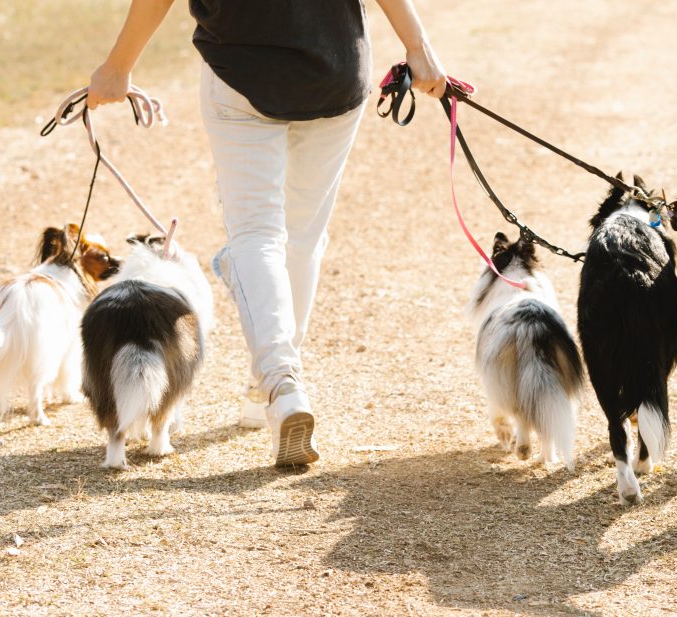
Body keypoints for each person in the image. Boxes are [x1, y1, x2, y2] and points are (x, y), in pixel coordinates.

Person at [88, 0, 447, 466]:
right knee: (302, 237)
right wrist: (417, 45)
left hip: (240, 72)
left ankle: (280, 382)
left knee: (257, 237)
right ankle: (272, 386)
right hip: (334, 68)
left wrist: (118, 67)